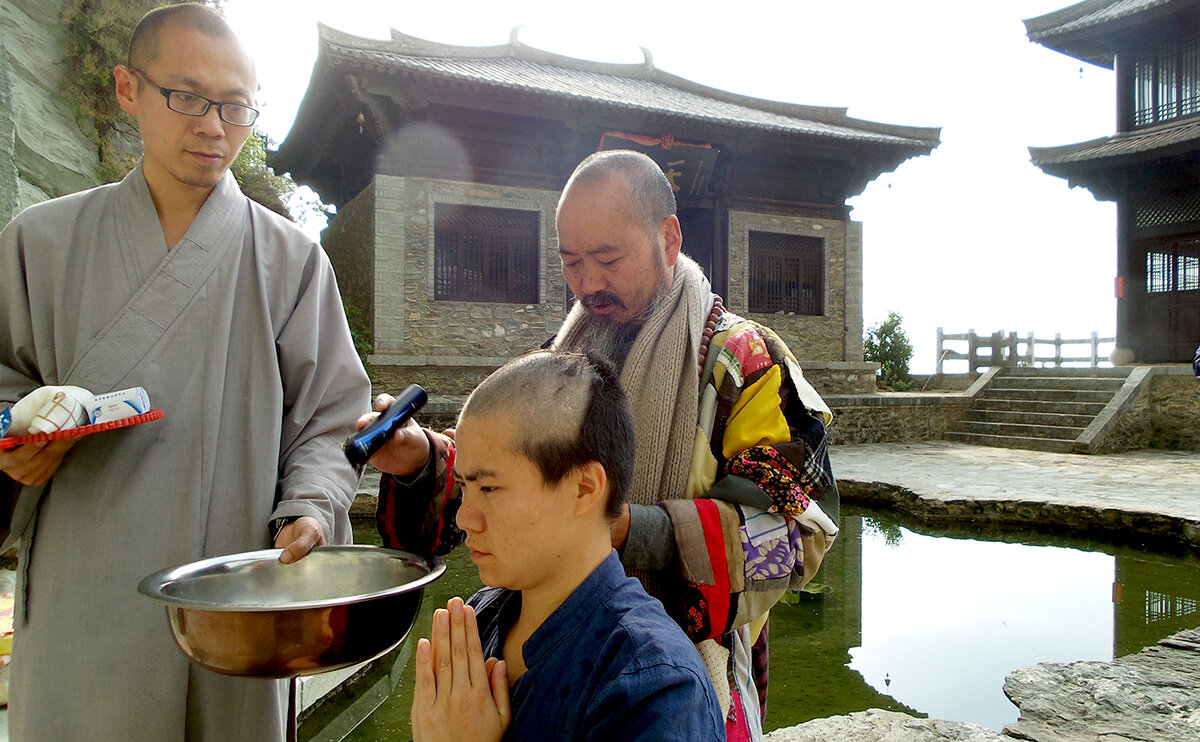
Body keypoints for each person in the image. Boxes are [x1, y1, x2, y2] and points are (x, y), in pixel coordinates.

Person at [370, 149, 839, 741]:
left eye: (608, 259)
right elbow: (522, 476)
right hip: (544, 652)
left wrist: (622, 528)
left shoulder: (744, 365)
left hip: (680, 674)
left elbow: (798, 537)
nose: (588, 285)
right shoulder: (561, 354)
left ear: (668, 239)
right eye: (571, 263)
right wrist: (423, 461)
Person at [0, 4, 370, 740]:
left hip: (234, 608)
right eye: (187, 96)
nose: (213, 125)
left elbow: (332, 419)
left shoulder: (293, 261)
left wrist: (309, 508)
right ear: (127, 88)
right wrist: (16, 435)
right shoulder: (38, 243)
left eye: (236, 106)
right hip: (84, 602)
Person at [404, 350, 723, 741]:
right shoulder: (478, 621)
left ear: (584, 488)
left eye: (488, 487)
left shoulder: (656, 686)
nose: (463, 518)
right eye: (465, 488)